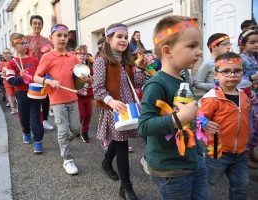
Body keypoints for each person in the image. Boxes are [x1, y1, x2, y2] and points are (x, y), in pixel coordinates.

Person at [138, 15, 210, 199]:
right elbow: (144, 126)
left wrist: (200, 122)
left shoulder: (183, 78)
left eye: (199, 46)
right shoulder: (156, 84)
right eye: (192, 46)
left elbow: (188, 116)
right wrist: (181, 118)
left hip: (193, 160)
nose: (199, 51)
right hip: (171, 169)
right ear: (168, 51)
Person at [93, 23, 147, 200]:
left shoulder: (127, 61)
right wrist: (112, 101)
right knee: (122, 144)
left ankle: (107, 162)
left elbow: (137, 84)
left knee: (119, 139)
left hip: (128, 107)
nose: (124, 40)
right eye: (119, 37)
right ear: (108, 39)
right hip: (113, 108)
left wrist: (140, 67)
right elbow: (98, 89)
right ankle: (126, 187)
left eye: (126, 37)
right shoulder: (102, 60)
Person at [34, 24, 89, 175]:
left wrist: (84, 80)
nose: (63, 38)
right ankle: (67, 158)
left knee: (76, 128)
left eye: (65, 36)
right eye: (59, 35)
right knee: (63, 130)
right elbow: (36, 77)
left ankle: (63, 142)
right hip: (57, 101)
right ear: (51, 38)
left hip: (73, 99)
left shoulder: (73, 58)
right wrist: (49, 82)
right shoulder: (47, 57)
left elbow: (77, 80)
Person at [198, 52, 250, 199]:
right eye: (226, 71)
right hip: (217, 150)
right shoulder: (212, 97)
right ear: (215, 74)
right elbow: (200, 117)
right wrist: (204, 124)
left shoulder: (243, 95)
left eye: (237, 70)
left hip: (240, 152)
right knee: (207, 181)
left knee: (241, 186)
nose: (232, 75)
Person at [6, 33, 44, 153]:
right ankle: (26, 132)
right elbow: (10, 80)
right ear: (14, 45)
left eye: (26, 42)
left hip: (34, 92)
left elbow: (39, 73)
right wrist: (21, 78)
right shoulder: (12, 63)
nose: (26, 45)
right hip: (21, 93)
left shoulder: (33, 60)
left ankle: (38, 140)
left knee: (35, 117)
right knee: (24, 117)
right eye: (22, 43)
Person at [26, 15, 54, 130]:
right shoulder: (26, 39)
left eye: (39, 23)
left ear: (42, 25)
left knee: (46, 97)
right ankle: (35, 121)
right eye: (35, 23)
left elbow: (53, 54)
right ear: (31, 25)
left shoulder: (47, 40)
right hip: (31, 72)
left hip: (45, 72)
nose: (37, 25)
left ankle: (45, 120)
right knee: (33, 98)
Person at [238, 30, 258, 169]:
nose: (256, 45)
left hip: (256, 95)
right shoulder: (240, 59)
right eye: (252, 42)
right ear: (242, 44)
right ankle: (244, 156)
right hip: (247, 98)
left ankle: (251, 151)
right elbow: (236, 79)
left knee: (255, 127)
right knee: (249, 127)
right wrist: (253, 77)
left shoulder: (254, 57)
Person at [75, 45, 93, 143]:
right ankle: (76, 128)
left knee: (89, 114)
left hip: (88, 95)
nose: (82, 56)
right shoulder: (73, 68)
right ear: (75, 55)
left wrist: (91, 79)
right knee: (81, 114)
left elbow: (94, 80)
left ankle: (84, 131)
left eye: (84, 54)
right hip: (78, 96)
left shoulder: (90, 67)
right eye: (80, 54)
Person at [0, 48, 17, 114]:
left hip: (15, 80)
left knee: (15, 94)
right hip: (6, 81)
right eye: (4, 53)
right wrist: (1, 73)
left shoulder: (14, 61)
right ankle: (13, 108)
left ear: (10, 54)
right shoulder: (2, 62)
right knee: (10, 94)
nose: (5, 55)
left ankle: (16, 106)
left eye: (7, 53)